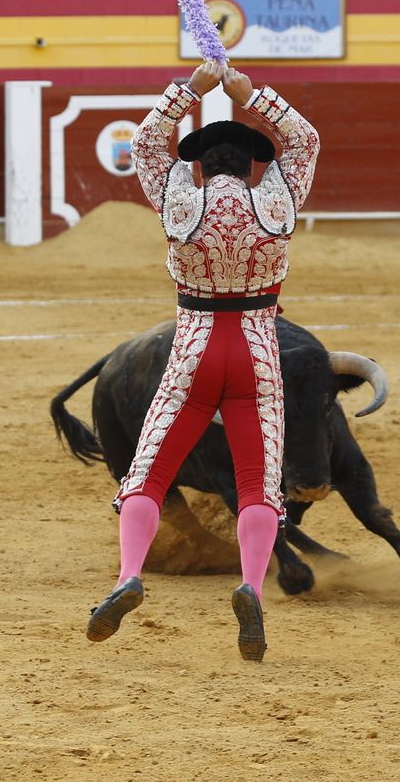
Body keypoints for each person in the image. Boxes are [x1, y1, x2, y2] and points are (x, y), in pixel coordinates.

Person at [89, 59, 319, 665]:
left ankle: (128, 577)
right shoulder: (279, 199)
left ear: (198, 166)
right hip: (257, 352)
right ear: (253, 165)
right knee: (256, 483)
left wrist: (188, 91)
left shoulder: (177, 200)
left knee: (148, 474)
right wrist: (253, 95)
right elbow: (307, 139)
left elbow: (143, 142)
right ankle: (249, 586)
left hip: (192, 348)